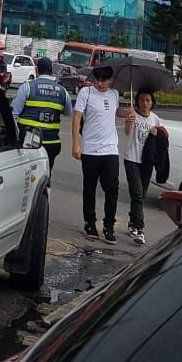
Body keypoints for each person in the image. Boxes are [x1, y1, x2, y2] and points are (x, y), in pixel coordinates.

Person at [72, 65, 121, 244]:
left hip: (110, 149)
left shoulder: (114, 94)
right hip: (91, 149)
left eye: (104, 81)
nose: (100, 84)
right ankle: (90, 222)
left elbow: (116, 111)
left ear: (111, 81)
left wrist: (129, 114)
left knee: (112, 188)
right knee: (90, 187)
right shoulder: (86, 93)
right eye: (97, 80)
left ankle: (109, 226)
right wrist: (76, 144)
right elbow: (77, 118)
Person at [12, 57, 71, 174]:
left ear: (37, 70)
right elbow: (68, 112)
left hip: (29, 142)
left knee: (27, 176)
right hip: (52, 142)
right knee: (46, 174)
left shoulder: (27, 87)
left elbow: (14, 113)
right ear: (52, 71)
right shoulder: (62, 91)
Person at [122, 90, 164, 244]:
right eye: (141, 100)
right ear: (137, 102)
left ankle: (132, 223)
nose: (144, 103)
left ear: (152, 102)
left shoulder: (155, 119)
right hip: (132, 159)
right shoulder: (133, 115)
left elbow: (161, 141)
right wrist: (129, 120)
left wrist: (156, 134)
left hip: (147, 162)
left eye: (147, 100)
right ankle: (140, 230)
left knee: (140, 195)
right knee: (137, 194)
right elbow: (127, 133)